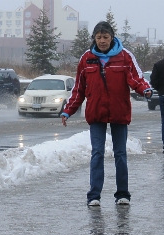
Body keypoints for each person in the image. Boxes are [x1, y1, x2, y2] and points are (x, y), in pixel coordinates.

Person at [60, 21, 152, 206]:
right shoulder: (86, 59)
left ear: (112, 37)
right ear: (94, 38)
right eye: (99, 37)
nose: (102, 41)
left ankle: (122, 194)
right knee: (97, 153)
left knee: (120, 154)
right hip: (96, 113)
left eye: (106, 37)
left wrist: (145, 89)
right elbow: (79, 88)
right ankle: (94, 196)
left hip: (119, 111)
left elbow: (136, 78)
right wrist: (68, 110)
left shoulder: (125, 56)